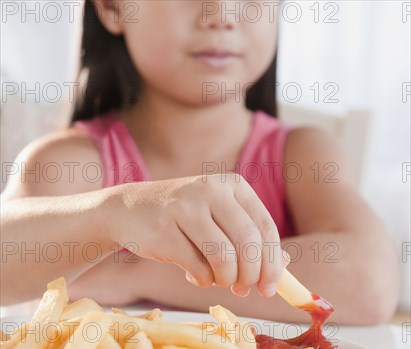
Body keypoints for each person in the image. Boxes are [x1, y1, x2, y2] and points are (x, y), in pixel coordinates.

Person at [1, 0, 399, 324]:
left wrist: (133, 273)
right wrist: (113, 214)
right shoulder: (68, 161)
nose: (222, 14)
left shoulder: (303, 154)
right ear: (112, 8)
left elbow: (371, 283)